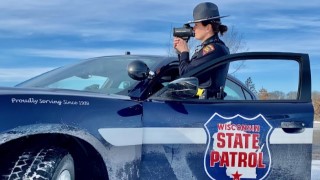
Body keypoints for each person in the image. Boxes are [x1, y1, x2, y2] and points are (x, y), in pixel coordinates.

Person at [173, 2, 230, 99]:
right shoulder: (211, 49)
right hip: (201, 104)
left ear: (208, 28)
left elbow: (186, 75)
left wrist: (184, 52)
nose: (193, 28)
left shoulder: (214, 49)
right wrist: (180, 51)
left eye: (196, 25)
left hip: (205, 105)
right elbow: (186, 71)